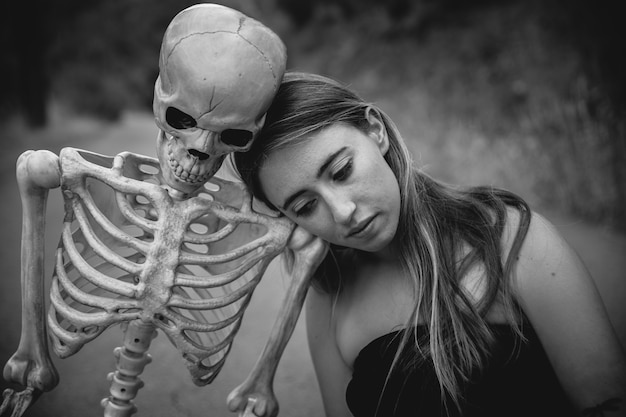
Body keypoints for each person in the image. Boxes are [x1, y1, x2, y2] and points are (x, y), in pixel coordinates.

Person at [233, 72, 626, 417]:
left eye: (341, 171)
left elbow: (607, 401)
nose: (343, 211)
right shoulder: (330, 298)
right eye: (305, 206)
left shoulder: (509, 237)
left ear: (375, 131)